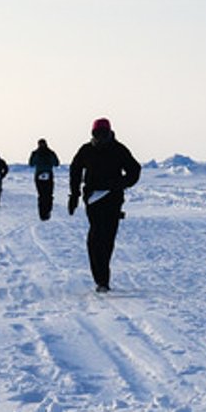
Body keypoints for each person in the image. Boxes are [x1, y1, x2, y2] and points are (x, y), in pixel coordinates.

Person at [68, 118, 141, 292]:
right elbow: (75, 171)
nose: (100, 137)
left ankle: (103, 279)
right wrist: (74, 195)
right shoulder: (86, 150)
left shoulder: (118, 149)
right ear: (92, 133)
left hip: (113, 199)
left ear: (110, 132)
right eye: (96, 133)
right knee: (95, 238)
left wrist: (119, 184)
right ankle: (101, 279)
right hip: (93, 198)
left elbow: (134, 170)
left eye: (103, 133)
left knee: (107, 239)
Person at [28, 139, 63, 220]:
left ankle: (43, 214)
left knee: (42, 195)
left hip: (39, 175)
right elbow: (56, 163)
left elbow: (31, 163)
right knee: (48, 195)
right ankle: (46, 212)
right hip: (48, 174)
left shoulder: (35, 153)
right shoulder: (50, 153)